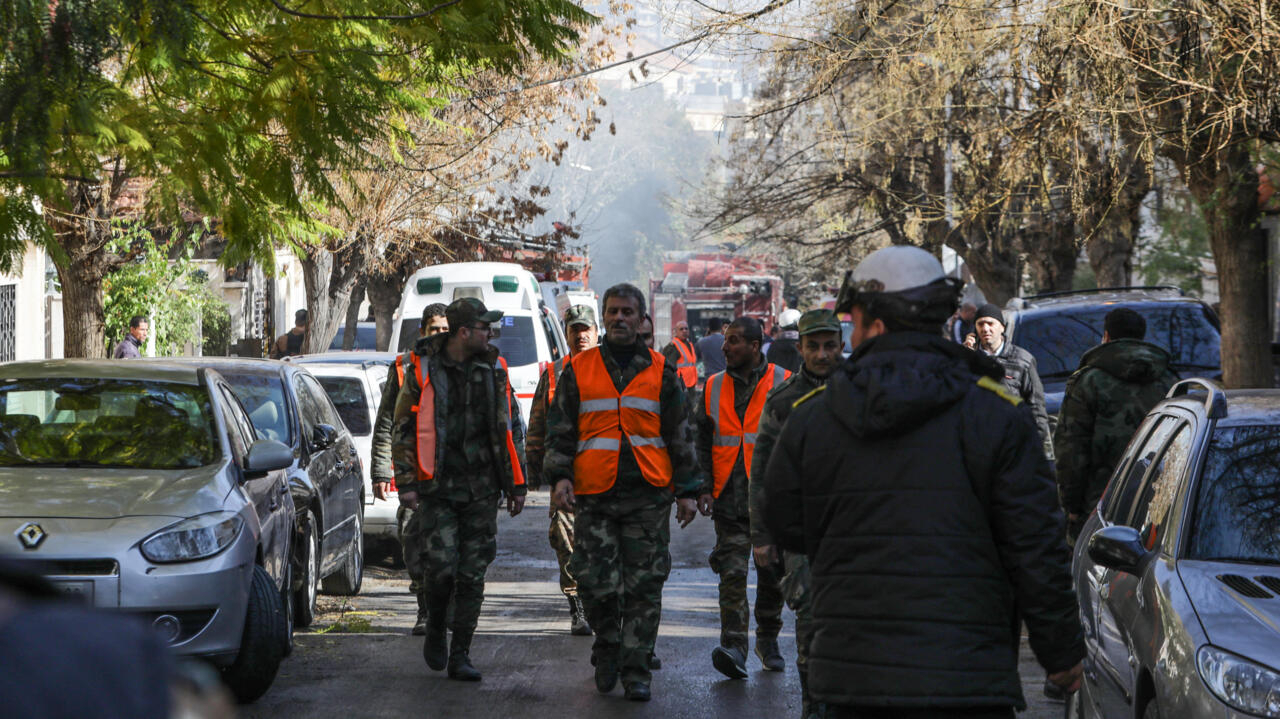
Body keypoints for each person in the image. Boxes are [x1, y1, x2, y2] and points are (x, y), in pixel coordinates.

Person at [763, 245, 1084, 718]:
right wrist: (1059, 651)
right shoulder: (997, 412)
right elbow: (1035, 541)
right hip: (968, 679)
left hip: (855, 680)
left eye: (852, 320)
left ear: (874, 322)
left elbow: (786, 524)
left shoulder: (813, 416)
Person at [543, 283, 702, 702]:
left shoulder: (661, 370)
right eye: (612, 311)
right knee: (595, 583)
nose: (619, 318)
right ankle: (608, 644)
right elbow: (560, 432)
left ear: (640, 318)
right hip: (593, 495)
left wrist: (687, 491)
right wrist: (560, 478)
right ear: (603, 317)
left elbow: (681, 434)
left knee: (644, 587)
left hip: (648, 495)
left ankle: (636, 672)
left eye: (627, 312)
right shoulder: (578, 369)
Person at [392, 297, 527, 682]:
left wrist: (518, 484)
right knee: (439, 570)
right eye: (485, 327)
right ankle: (436, 624)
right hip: (438, 487)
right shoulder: (423, 367)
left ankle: (461, 653)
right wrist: (406, 482)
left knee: (472, 574)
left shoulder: (495, 368)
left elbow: (510, 428)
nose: (491, 334)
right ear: (464, 332)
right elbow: (403, 428)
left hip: (483, 489)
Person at [749, 309, 842, 719]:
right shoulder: (784, 401)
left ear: (841, 345)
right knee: (810, 618)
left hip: (858, 530)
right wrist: (762, 536)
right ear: (800, 347)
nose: (822, 354)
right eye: (814, 346)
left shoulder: (863, 391)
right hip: (803, 531)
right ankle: (814, 706)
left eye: (830, 345)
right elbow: (762, 473)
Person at [696, 317, 790, 679]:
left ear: (755, 346)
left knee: (771, 575)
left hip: (770, 501)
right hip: (728, 500)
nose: (724, 347)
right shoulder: (713, 385)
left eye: (733, 341)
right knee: (731, 575)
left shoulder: (783, 382)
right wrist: (703, 486)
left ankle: (768, 640)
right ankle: (734, 646)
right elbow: (702, 440)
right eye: (725, 340)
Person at [1054, 307, 1178, 542]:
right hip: (1159, 499)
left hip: (1101, 502)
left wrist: (1070, 505)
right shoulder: (1168, 379)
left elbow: (1071, 448)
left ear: (1107, 336)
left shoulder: (1088, 381)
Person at [371, 303, 449, 635]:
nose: (441, 336)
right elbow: (387, 419)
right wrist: (381, 471)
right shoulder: (405, 367)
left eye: (446, 330)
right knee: (414, 540)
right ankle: (423, 609)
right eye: (435, 330)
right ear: (423, 332)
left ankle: (447, 609)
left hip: (451, 474)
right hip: (414, 471)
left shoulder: (463, 364)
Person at [526, 304, 598, 636]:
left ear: (597, 333)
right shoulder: (553, 374)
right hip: (566, 477)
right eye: (574, 330)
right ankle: (577, 606)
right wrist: (537, 473)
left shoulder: (611, 372)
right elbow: (537, 426)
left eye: (586, 330)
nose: (580, 335)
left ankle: (605, 605)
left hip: (604, 475)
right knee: (565, 542)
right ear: (566, 335)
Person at [964, 303, 1054, 459]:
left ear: (1002, 328)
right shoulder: (966, 360)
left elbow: (1037, 409)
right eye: (980, 324)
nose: (985, 329)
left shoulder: (1022, 361)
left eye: (990, 323)